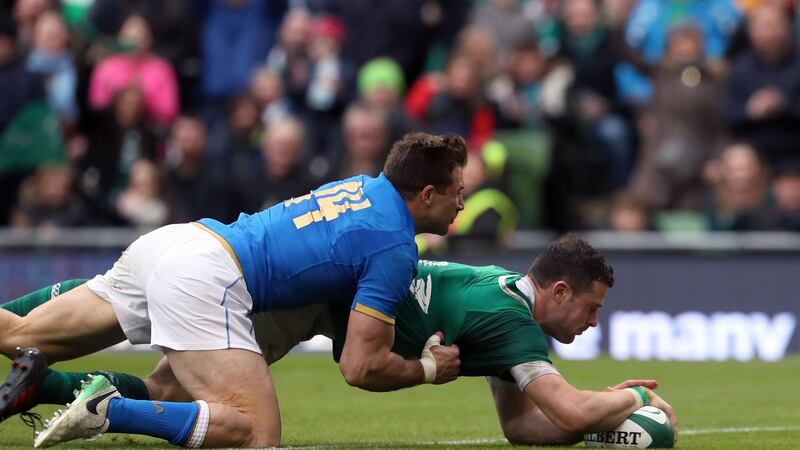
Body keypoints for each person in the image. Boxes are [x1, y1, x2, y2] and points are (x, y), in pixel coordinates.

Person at [0, 132, 467, 448]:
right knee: (257, 433)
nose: (463, 201)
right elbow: (360, 366)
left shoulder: (363, 185)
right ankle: (109, 409)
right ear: (426, 194)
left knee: (19, 332)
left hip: (177, 241)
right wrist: (427, 368)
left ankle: (54, 387)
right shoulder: (394, 244)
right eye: (457, 191)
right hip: (207, 277)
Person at [1, 235, 677, 446]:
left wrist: (598, 420)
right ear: (558, 291)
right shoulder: (512, 322)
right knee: (234, 425)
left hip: (292, 286)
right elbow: (562, 413)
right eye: (590, 308)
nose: (592, 322)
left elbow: (525, 428)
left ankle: (49, 386)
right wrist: (623, 405)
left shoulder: (504, 305)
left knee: (168, 389)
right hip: (296, 296)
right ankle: (98, 404)